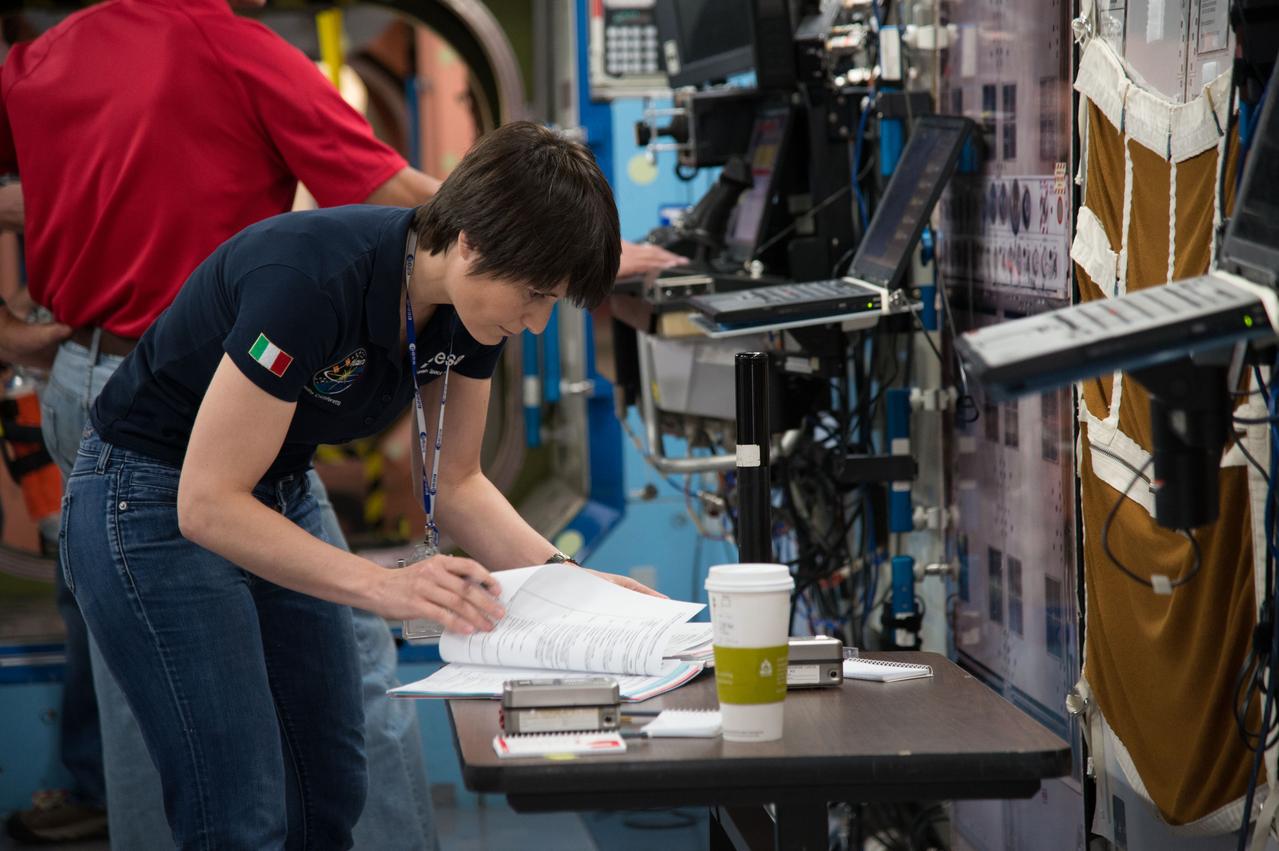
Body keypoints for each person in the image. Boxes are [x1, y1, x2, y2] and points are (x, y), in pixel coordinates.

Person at [63, 119, 649, 849]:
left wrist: (579, 588)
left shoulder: (471, 312)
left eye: (550, 303)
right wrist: (388, 585)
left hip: (275, 488)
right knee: (239, 814)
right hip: (147, 499)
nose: (533, 324)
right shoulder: (310, 282)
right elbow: (207, 503)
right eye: (532, 295)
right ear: (469, 241)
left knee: (330, 785)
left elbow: (455, 482)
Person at [0, 0, 438, 846]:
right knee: (355, 665)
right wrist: (563, 244)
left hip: (79, 377)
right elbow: (406, 208)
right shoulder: (235, 47)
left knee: (143, 694)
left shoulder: (38, 62)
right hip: (206, 394)